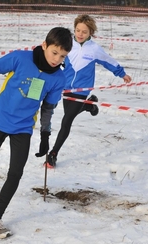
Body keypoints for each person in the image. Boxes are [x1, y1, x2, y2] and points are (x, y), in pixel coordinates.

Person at [0, 27, 73, 238]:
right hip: (0, 119)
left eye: (62, 56)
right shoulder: (20, 58)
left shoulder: (58, 78)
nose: (57, 59)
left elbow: (48, 108)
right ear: (44, 45)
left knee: (16, 173)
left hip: (23, 127)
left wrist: (45, 135)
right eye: (54, 52)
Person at [46, 14, 132, 168]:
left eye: (84, 32)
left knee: (67, 120)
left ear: (90, 33)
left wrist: (122, 74)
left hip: (82, 89)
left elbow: (109, 61)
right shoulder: (68, 44)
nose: (79, 34)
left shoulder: (94, 49)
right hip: (66, 87)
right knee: (70, 113)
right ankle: (89, 105)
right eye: (77, 30)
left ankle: (53, 154)